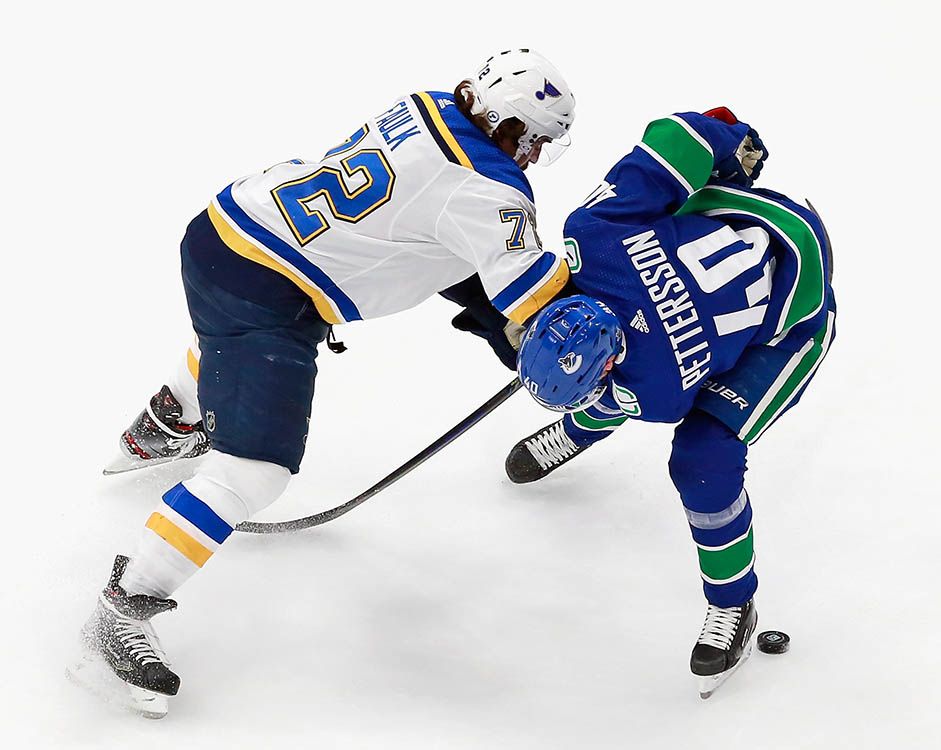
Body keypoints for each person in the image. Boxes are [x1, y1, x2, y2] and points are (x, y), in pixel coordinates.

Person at [76, 49, 575, 718]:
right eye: (535, 141)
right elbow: (531, 302)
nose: (535, 158)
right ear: (512, 125)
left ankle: (169, 421)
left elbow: (427, 234)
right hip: (265, 293)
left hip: (224, 228)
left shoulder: (427, 104)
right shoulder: (490, 191)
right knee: (255, 472)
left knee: (229, 345)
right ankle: (123, 606)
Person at [504, 106, 836, 698]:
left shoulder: (657, 388)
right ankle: (573, 432)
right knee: (634, 395)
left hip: (793, 319)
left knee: (703, 459)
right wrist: (731, 140)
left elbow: (622, 393)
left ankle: (735, 604)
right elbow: (676, 137)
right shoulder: (596, 232)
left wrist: (731, 144)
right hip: (755, 225)